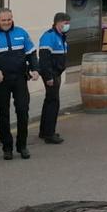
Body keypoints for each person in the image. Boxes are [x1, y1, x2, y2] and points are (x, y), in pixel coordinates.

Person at [0, 8, 40, 160]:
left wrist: (35, 69)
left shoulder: (21, 33)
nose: (6, 22)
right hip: (1, 81)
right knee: (3, 113)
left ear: (12, 19)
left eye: (9, 19)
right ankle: (7, 148)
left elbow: (31, 53)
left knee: (22, 110)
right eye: (3, 20)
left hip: (20, 79)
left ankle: (22, 146)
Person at [37, 13, 71, 145]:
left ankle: (44, 131)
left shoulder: (61, 37)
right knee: (53, 103)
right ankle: (49, 134)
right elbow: (44, 60)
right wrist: (48, 77)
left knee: (49, 101)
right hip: (51, 75)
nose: (67, 26)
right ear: (58, 23)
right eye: (65, 23)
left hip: (56, 73)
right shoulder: (49, 37)